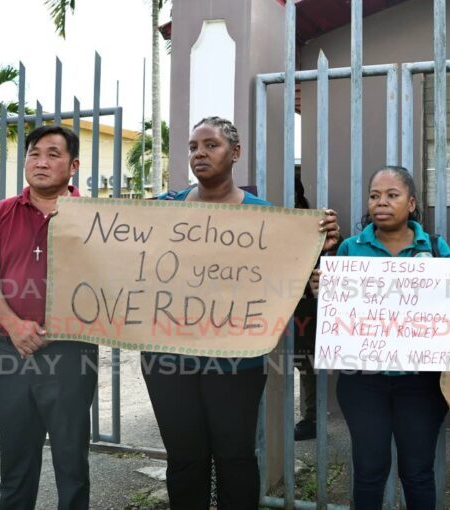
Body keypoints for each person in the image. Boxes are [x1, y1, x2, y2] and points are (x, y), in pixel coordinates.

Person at [140, 116, 340, 510]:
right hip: (168, 360)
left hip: (236, 364)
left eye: (210, 145)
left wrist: (323, 242)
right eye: (193, 147)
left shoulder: (267, 218)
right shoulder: (162, 211)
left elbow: (290, 282)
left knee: (235, 458)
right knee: (184, 459)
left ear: (235, 153)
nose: (199, 153)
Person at [0, 125, 98, 509]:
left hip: (72, 354)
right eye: (34, 153)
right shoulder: (0, 215)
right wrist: (14, 325)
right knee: (16, 463)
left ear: (73, 165)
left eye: (53, 154)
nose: (41, 162)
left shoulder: (98, 218)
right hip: (12, 353)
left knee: (71, 462)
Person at [333, 165, 450, 510]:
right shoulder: (350, 250)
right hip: (362, 384)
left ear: (412, 203)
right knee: (369, 471)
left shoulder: (433, 247)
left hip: (421, 384)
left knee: (417, 472)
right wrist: (322, 289)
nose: (381, 202)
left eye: (392, 195)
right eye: (374, 196)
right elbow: (335, 314)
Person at [293, 175, 321, 441]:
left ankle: (311, 419)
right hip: (275, 304)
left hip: (308, 307)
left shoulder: (317, 225)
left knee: (307, 364)